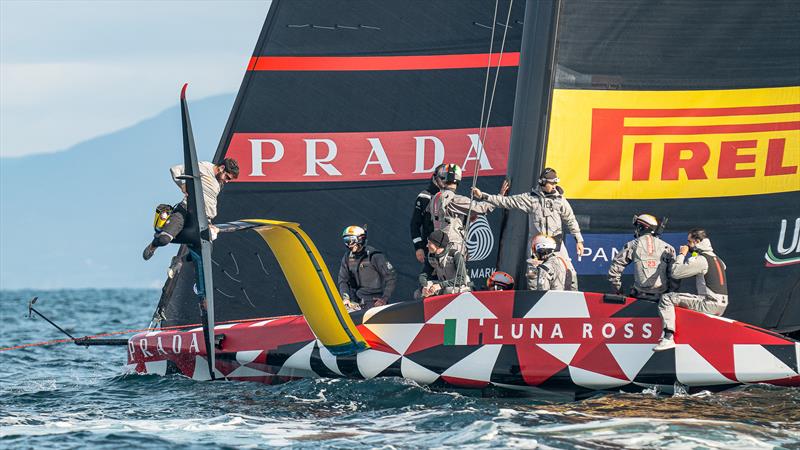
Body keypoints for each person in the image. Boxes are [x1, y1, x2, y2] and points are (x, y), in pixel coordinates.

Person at [471, 167, 584, 261]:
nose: (554, 185)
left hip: (556, 244)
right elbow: (506, 201)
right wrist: (483, 196)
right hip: (537, 246)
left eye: (556, 182)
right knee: (534, 279)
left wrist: (579, 240)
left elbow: (571, 220)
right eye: (551, 182)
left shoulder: (560, 200)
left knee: (569, 275)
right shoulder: (530, 199)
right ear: (543, 182)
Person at [143, 158, 239, 260]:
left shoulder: (220, 182)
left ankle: (179, 260)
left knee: (204, 252)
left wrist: (210, 224)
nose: (227, 181)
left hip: (204, 219)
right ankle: (153, 245)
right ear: (222, 168)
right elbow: (175, 169)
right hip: (185, 210)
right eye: (227, 177)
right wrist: (182, 185)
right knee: (163, 239)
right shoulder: (205, 167)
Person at [653, 228, 728, 351]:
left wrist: (682, 254)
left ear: (697, 241)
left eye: (689, 241)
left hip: (709, 303)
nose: (687, 244)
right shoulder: (717, 259)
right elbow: (721, 269)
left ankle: (668, 338)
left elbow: (676, 273)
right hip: (721, 305)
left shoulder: (702, 260)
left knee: (667, 298)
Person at [428, 164, 494, 255]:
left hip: (438, 248)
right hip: (452, 248)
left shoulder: (435, 197)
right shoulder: (452, 198)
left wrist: (466, 218)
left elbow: (447, 218)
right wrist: (498, 198)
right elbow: (482, 208)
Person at [608, 214, 676, 300]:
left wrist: (619, 291)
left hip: (639, 296)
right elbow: (675, 275)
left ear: (641, 227)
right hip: (662, 298)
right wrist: (669, 294)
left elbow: (614, 270)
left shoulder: (632, 245)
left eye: (637, 227)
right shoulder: (669, 248)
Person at [337, 225, 397, 311]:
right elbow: (343, 280)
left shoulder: (375, 256)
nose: (349, 244)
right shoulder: (347, 257)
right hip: (356, 303)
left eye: (351, 240)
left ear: (360, 239)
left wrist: (384, 299)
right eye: (346, 241)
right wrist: (346, 298)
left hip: (375, 303)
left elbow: (391, 277)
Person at [418, 230, 471, 298]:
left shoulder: (455, 255)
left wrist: (440, 285)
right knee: (418, 293)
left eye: (429, 243)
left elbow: (462, 279)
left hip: (460, 287)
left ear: (438, 245)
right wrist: (425, 286)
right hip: (442, 285)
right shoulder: (431, 256)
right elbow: (423, 275)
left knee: (448, 290)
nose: (427, 245)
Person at [410, 164, 446, 263]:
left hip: (450, 250)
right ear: (435, 177)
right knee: (426, 278)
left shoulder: (453, 197)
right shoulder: (424, 197)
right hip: (431, 250)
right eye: (442, 178)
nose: (445, 182)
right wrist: (418, 247)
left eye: (447, 179)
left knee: (455, 277)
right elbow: (414, 224)